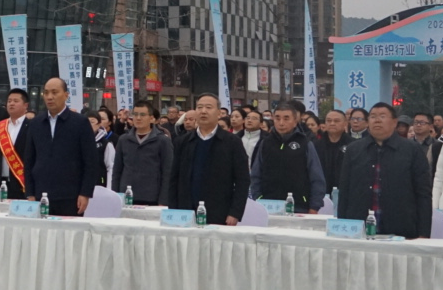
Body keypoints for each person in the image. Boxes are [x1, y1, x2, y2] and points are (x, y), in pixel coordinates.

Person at [337, 103, 433, 238]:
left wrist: (423, 233)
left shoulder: (412, 150)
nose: (377, 120)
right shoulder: (354, 149)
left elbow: (423, 194)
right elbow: (344, 191)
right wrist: (342, 227)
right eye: (373, 117)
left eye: (382, 116)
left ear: (394, 122)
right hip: (359, 229)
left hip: (401, 230)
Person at [22, 77, 99, 216]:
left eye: (54, 92)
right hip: (40, 194)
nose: (49, 97)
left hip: (71, 196)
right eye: (46, 93)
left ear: (66, 95)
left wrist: (85, 193)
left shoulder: (80, 123)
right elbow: (29, 160)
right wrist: (30, 192)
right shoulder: (36, 123)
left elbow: (91, 161)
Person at [167, 93, 250, 222]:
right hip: (185, 211)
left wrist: (235, 213)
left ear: (219, 113)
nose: (203, 111)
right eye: (199, 107)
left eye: (208, 107)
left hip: (220, 211)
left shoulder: (232, 142)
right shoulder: (183, 142)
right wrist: (173, 209)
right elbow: (174, 178)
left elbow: (242, 180)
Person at [249, 101, 328, 213]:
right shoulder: (265, 143)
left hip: (299, 206)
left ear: (295, 122)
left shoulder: (305, 143)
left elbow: (316, 177)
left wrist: (314, 206)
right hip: (268, 205)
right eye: (277, 118)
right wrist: (258, 198)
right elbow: (256, 175)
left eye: (286, 118)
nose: (281, 123)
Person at [111, 101, 173, 205]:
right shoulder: (124, 140)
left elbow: (167, 173)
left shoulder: (163, 141)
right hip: (126, 196)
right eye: (135, 114)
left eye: (143, 115)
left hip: (152, 198)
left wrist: (163, 200)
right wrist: (115, 196)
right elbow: (117, 171)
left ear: (152, 118)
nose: (138, 118)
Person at [0, 88, 32, 200]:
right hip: (0, 182)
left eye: (16, 101)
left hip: (22, 183)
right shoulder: (0, 126)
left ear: (26, 105)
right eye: (9, 101)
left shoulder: (32, 126)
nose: (11, 104)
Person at [315, 110, 351, 198]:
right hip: (321, 192)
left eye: (336, 121)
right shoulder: (316, 145)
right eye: (329, 120)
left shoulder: (353, 145)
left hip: (346, 192)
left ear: (345, 123)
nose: (332, 123)